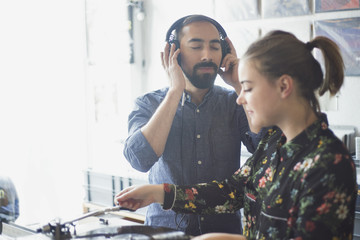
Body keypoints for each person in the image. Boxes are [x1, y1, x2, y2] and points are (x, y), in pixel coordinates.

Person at [116, 30, 357, 239]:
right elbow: (232, 191)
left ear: (284, 86)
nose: (240, 97)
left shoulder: (328, 163)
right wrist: (158, 192)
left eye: (248, 88)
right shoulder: (274, 144)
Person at [122, 15, 264, 236]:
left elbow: (263, 147)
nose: (207, 55)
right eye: (196, 46)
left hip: (223, 233)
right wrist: (174, 91)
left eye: (215, 47)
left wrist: (239, 84)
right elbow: (141, 160)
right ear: (174, 54)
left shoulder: (236, 102)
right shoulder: (148, 104)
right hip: (163, 231)